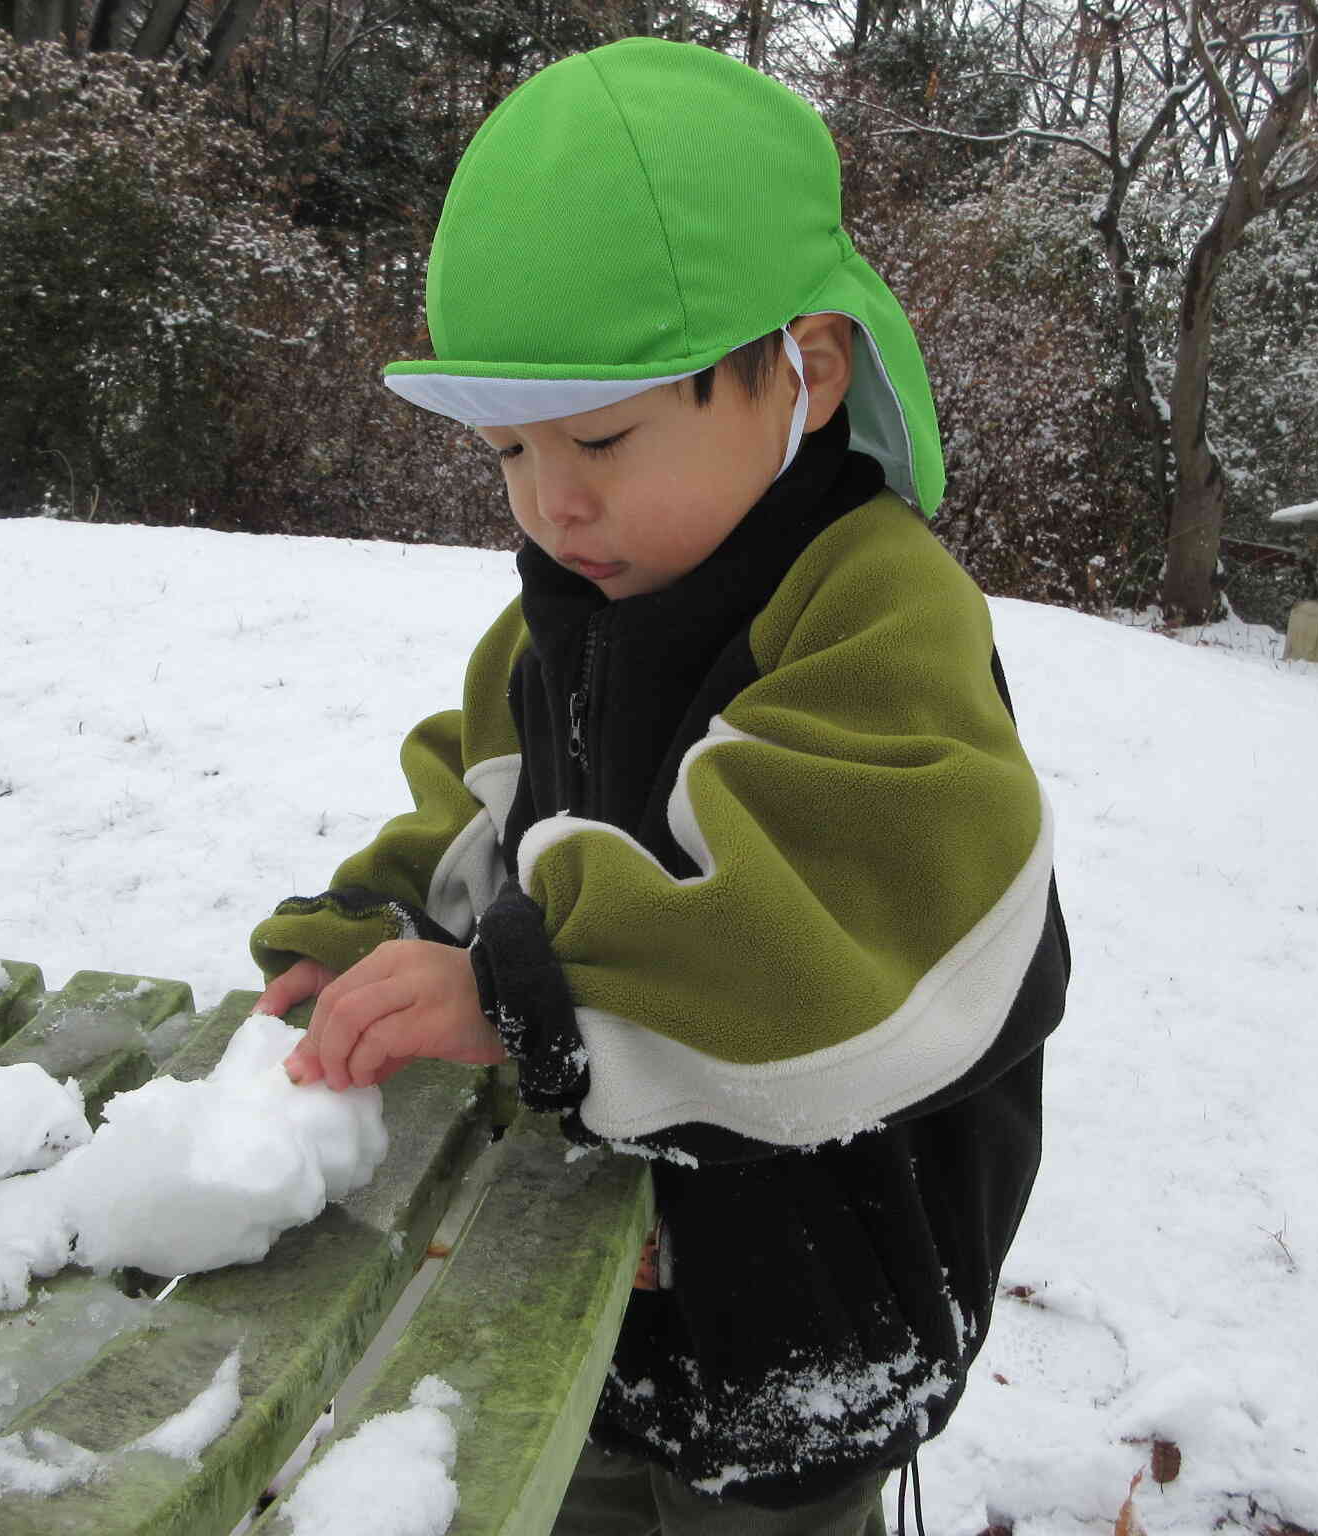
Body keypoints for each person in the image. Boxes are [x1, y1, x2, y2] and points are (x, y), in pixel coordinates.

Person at [250, 36, 1071, 1536]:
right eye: (509, 449)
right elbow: (478, 803)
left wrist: (522, 994)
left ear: (804, 373)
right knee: (569, 1479)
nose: (554, 501)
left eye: (608, 436)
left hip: (813, 1299)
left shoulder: (875, 605)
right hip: (601, 1262)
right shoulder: (567, 602)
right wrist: (372, 932)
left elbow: (826, 920)